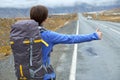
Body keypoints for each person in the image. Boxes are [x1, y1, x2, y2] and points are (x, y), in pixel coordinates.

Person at [30, 5, 102, 80]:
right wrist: (94, 36)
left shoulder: (20, 35)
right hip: (43, 76)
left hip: (25, 75)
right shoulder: (48, 35)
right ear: (45, 19)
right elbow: (70, 38)